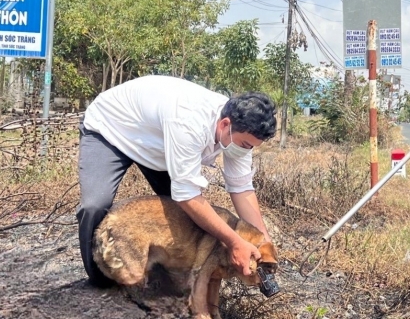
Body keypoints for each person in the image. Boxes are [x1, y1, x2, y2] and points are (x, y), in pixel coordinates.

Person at [76, 75, 277, 288]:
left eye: (252, 146)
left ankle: (165, 276)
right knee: (94, 204)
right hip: (112, 130)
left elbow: (241, 187)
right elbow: (187, 195)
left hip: (160, 146)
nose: (247, 150)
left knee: (183, 220)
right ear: (225, 124)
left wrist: (263, 242)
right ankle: (98, 280)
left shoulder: (239, 132)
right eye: (245, 144)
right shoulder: (189, 121)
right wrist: (234, 242)